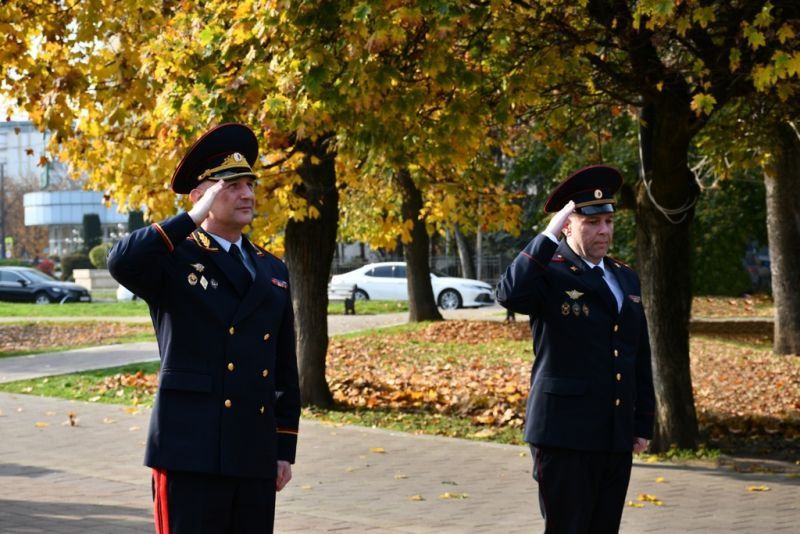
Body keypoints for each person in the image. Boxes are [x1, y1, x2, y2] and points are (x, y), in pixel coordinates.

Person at [108, 123, 300, 534]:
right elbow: (121, 262)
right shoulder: (173, 259)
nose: (247, 194)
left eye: (249, 184)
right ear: (200, 196)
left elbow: (284, 367)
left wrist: (284, 449)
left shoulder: (272, 270)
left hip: (252, 449)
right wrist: (190, 219)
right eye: (229, 186)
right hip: (190, 448)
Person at [496, 165, 655, 533]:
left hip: (613, 432)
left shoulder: (624, 276)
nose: (603, 231)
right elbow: (509, 293)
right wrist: (548, 235)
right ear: (568, 225)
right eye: (591, 222)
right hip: (564, 433)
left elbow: (637, 353)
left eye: (609, 222)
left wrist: (642, 421)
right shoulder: (549, 272)